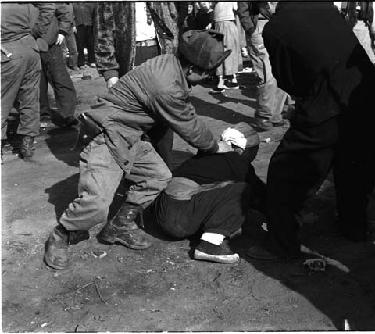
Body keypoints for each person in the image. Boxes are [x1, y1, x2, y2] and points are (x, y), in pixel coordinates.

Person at [43, 29, 233, 270]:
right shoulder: (167, 86)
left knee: (158, 176)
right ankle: (63, 233)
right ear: (193, 69)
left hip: (129, 135)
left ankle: (120, 225)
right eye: (206, 73)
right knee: (97, 203)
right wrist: (216, 147)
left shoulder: (171, 64)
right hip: (106, 134)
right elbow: (189, 125)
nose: (207, 77)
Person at [247, 2, 375, 260]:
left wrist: (301, 108)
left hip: (328, 103)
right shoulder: (321, 5)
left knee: (285, 171)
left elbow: (289, 79)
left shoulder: (275, 27)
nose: (262, 14)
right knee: (355, 164)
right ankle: (353, 226)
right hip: (365, 94)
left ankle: (281, 243)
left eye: (261, 9)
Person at [150, 122, 266, 264]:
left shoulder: (207, 154)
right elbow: (261, 195)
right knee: (242, 191)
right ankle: (209, 246)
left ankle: (202, 229)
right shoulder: (238, 161)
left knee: (222, 188)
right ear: (243, 149)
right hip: (180, 218)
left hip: (161, 212)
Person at [95, 2, 179, 166]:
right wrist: (110, 73)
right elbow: (103, 33)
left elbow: (172, 22)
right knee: (133, 120)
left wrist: (172, 53)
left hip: (158, 54)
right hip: (131, 58)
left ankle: (165, 172)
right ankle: (137, 174)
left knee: (163, 117)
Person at [1, 3, 54, 160]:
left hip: (7, 48)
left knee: (2, 99)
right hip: (28, 46)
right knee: (30, 97)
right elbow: (49, 6)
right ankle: (28, 142)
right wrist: (35, 31)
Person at [237, 2, 287, 131]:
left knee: (282, 72)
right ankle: (264, 116)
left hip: (281, 26)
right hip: (259, 26)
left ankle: (275, 114)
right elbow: (243, 9)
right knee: (267, 75)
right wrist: (250, 28)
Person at [38, 3, 78, 130]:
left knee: (60, 79)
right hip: (30, 44)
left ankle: (67, 114)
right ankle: (42, 114)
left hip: (51, 42)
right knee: (37, 83)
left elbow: (65, 11)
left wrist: (62, 31)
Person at [211, 2, 241, 93]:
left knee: (221, 51)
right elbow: (237, 8)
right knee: (230, 50)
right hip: (228, 23)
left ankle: (222, 81)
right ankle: (232, 79)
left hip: (222, 23)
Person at [73, 2, 96, 68]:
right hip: (79, 26)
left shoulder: (91, 3)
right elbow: (71, 15)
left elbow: (94, 15)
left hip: (89, 26)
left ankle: (92, 61)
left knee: (91, 43)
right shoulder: (74, 4)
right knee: (80, 45)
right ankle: (81, 63)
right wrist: (74, 25)